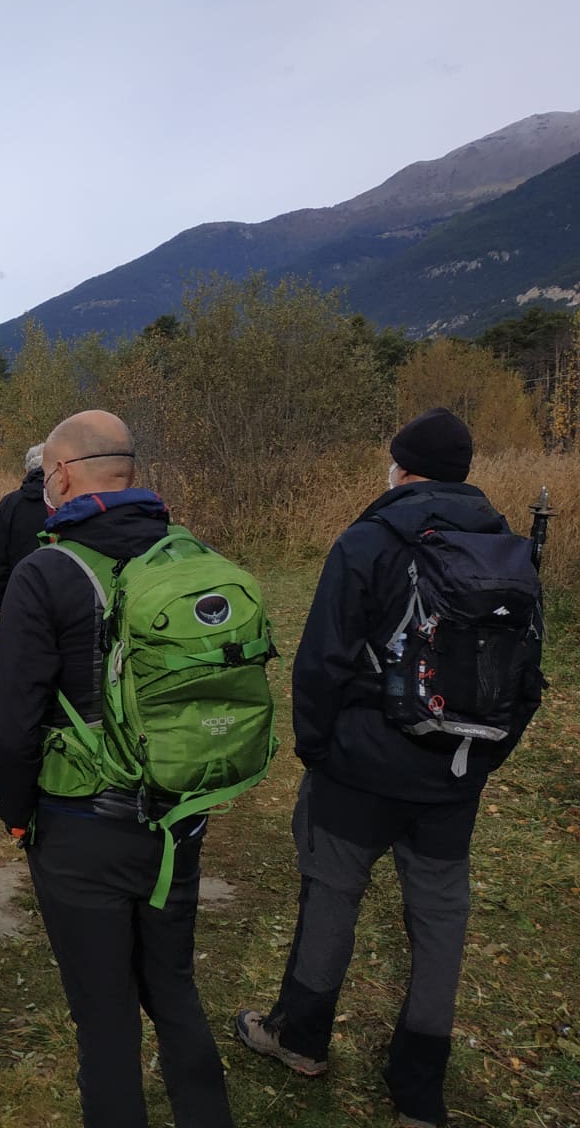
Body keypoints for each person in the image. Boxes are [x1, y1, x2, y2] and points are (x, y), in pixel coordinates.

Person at [236, 408, 542, 1128]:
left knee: (332, 898)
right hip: (456, 770)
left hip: (360, 769)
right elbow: (528, 676)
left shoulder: (370, 539)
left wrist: (319, 749)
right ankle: (419, 1094)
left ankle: (300, 1039)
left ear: (402, 467)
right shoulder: (507, 550)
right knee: (440, 920)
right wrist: (485, 754)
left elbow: (321, 663)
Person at [0, 409, 234, 1128]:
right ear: (129, 472)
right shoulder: (187, 555)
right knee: (174, 990)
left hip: (79, 826)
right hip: (177, 818)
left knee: (105, 1019)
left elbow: (13, 724)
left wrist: (16, 814)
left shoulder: (46, 571)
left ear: (60, 475)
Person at [0, 443, 46, 610]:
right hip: (69, 611)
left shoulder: (10, 504)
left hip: (21, 602)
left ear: (27, 470)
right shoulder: (75, 502)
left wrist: (9, 606)